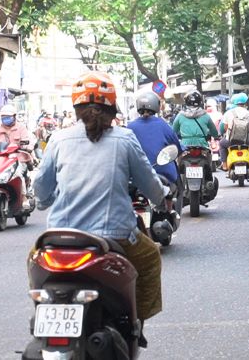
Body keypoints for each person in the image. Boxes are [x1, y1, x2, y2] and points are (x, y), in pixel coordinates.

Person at [33, 71, 168, 327]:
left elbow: (41, 185)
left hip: (60, 237)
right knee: (150, 257)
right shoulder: (124, 138)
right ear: (112, 108)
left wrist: (44, 200)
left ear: (76, 108)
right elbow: (149, 182)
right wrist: (160, 197)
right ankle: (135, 324)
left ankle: (43, 309)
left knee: (34, 260)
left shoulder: (59, 138)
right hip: (114, 235)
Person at [129, 91, 182, 186]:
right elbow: (176, 147)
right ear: (156, 105)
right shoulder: (163, 125)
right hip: (163, 176)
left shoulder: (130, 127)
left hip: (136, 177)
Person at [219, 93, 249, 171]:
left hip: (230, 141)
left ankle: (224, 165)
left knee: (221, 144)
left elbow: (225, 127)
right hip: (246, 141)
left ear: (234, 102)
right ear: (245, 103)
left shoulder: (228, 113)